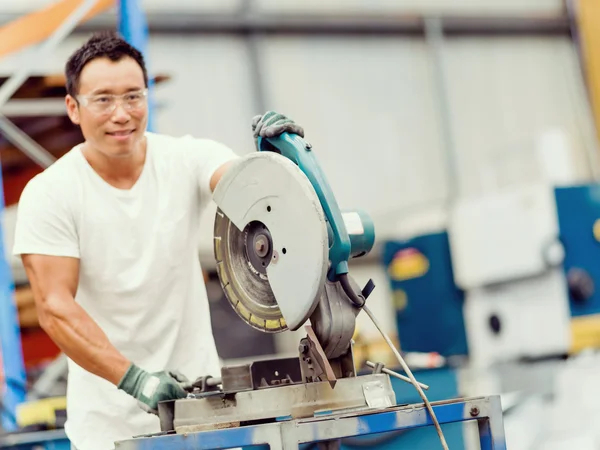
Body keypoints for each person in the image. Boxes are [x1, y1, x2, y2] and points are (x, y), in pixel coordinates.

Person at [12, 31, 304, 450]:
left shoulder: (185, 159)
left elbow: (247, 188)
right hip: (109, 430)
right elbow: (55, 308)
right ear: (73, 108)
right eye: (103, 99)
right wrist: (135, 380)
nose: (121, 114)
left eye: (133, 96)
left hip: (202, 414)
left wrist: (279, 161)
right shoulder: (51, 192)